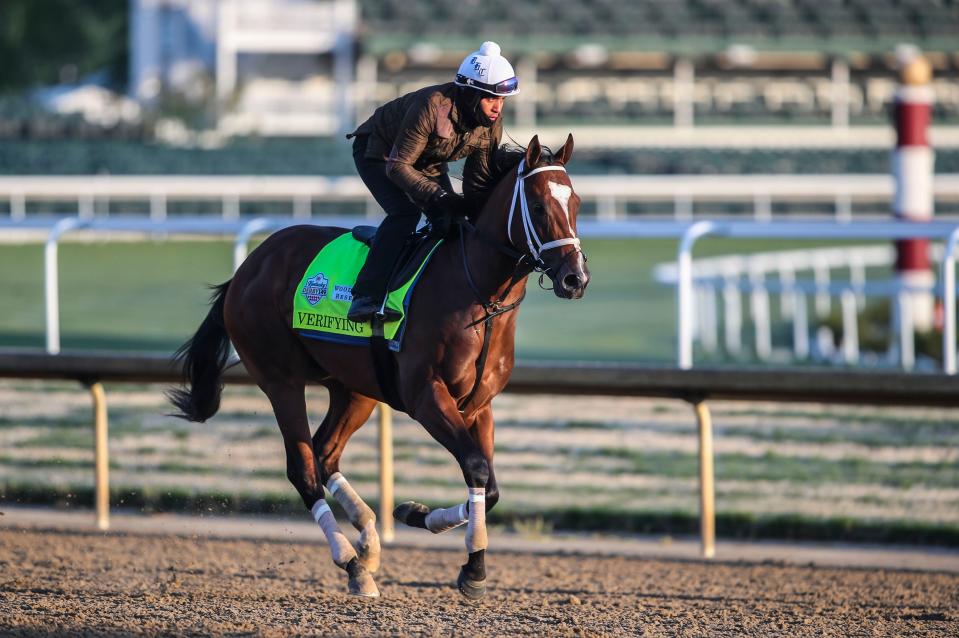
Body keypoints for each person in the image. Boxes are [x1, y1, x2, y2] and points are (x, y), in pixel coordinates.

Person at [345, 41, 520, 323]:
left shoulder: (491, 123)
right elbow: (398, 167)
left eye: (502, 100)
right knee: (406, 213)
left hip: (425, 161)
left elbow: (476, 183)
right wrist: (438, 197)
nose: (497, 108)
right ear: (470, 94)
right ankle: (366, 296)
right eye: (490, 98)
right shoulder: (431, 105)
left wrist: (473, 211)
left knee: (452, 224)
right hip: (380, 153)